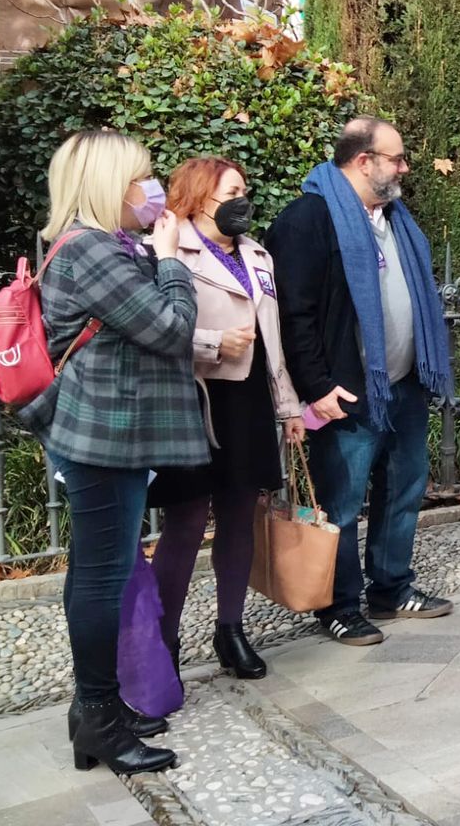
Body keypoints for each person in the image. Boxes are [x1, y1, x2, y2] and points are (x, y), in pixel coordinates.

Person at [20, 130, 204, 775]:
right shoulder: (92, 250)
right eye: (139, 177)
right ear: (107, 184)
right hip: (101, 436)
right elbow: (171, 328)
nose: (149, 188)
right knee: (102, 576)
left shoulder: (101, 246)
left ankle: (92, 714)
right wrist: (172, 260)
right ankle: (99, 715)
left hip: (106, 434)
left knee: (96, 571)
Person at [268, 117, 454, 647]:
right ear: (363, 161)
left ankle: (391, 588)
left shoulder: (396, 219)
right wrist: (317, 387)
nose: (405, 168)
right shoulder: (309, 218)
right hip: (346, 391)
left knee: (405, 488)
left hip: (403, 385)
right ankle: (339, 605)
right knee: (342, 503)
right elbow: (294, 314)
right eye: (396, 158)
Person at [148, 157, 306, 682]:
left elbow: (273, 340)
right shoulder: (168, 249)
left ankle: (231, 630)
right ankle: (163, 642)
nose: (243, 201)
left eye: (244, 190)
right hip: (192, 399)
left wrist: (288, 407)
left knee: (240, 518)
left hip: (249, 400)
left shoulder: (257, 254)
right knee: (186, 523)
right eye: (232, 192)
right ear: (198, 197)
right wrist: (213, 343)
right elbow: (154, 326)